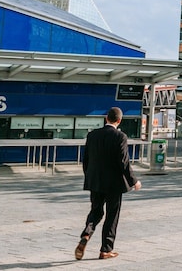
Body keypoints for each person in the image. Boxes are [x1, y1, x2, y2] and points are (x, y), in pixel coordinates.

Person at [75, 107, 141, 261]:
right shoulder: (121, 137)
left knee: (96, 211)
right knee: (112, 216)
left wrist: (90, 177)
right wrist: (134, 181)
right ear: (119, 120)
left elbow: (86, 160)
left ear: (106, 118)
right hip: (114, 184)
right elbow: (124, 163)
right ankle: (106, 250)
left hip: (95, 181)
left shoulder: (92, 135)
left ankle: (86, 234)